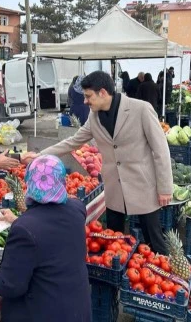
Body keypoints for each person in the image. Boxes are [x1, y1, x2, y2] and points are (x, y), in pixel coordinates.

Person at [26, 71, 173, 255]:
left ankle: (169, 275)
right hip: (114, 189)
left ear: (102, 92)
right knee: (114, 240)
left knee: (154, 239)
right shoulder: (94, 118)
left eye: (88, 96)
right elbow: (72, 141)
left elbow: (161, 150)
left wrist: (165, 188)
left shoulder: (141, 109)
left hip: (143, 185)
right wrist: (39, 155)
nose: (85, 101)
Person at [0, 155, 91, 322]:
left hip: (44, 313)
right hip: (77, 310)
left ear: (30, 183)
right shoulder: (77, 209)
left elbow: (10, 286)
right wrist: (18, 220)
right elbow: (50, 230)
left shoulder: (25, 230)